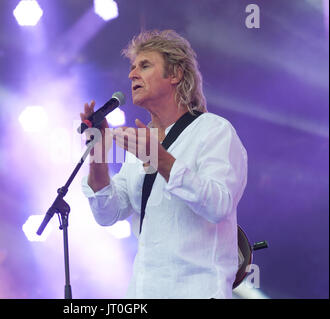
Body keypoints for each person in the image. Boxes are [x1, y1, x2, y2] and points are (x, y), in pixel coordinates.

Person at [80, 30, 248, 299]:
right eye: (132, 67)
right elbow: (107, 213)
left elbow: (219, 204)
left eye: (144, 66)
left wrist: (159, 158)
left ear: (175, 74)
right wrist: (98, 153)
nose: (132, 75)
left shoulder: (214, 131)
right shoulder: (140, 143)